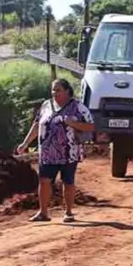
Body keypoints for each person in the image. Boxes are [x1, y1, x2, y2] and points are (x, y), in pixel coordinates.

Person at [16, 78, 95, 223]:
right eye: (53, 90)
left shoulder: (78, 107)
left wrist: (73, 123)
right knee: (44, 181)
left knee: (68, 181)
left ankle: (69, 212)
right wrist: (25, 143)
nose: (54, 93)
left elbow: (91, 127)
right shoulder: (46, 105)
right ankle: (43, 213)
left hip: (69, 152)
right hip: (47, 152)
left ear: (67, 91)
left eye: (58, 90)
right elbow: (36, 125)